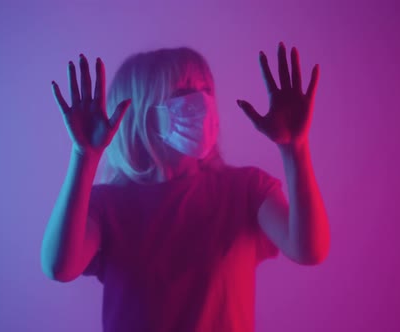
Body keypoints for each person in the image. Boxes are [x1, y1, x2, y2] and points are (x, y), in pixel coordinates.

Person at [41, 41, 331, 332]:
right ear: (140, 113)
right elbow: (59, 267)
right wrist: (84, 157)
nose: (201, 103)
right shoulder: (107, 205)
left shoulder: (246, 190)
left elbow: (309, 250)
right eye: (182, 93)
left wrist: (295, 148)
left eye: (206, 91)